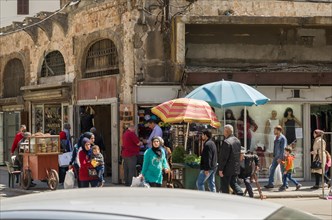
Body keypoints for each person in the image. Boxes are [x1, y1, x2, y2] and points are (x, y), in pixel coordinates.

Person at [218, 124, 243, 195]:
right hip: (235, 168)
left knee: (225, 185)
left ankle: (226, 200)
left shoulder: (226, 142)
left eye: (224, 131)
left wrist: (220, 169)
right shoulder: (237, 141)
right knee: (233, 183)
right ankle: (240, 193)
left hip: (227, 169)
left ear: (227, 131)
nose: (223, 132)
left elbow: (224, 158)